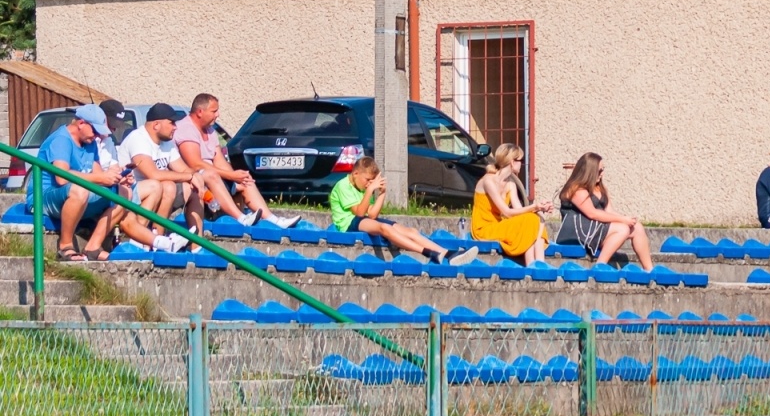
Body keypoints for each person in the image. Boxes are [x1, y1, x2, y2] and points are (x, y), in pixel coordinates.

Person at [174, 93, 298, 229]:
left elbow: (219, 161)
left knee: (245, 180)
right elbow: (195, 164)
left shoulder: (210, 131)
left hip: (214, 179)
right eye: (214, 111)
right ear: (200, 112)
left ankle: (273, 220)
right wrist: (231, 176)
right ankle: (241, 218)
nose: (217, 115)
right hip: (194, 179)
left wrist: (237, 176)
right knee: (211, 175)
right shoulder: (186, 129)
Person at [23, 104, 126, 261]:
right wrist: (101, 178)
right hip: (43, 198)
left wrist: (116, 177)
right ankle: (65, 246)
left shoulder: (90, 142)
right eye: (95, 130)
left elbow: (98, 174)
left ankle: (93, 248)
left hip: (74, 194)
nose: (97, 135)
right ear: (81, 123)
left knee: (124, 193)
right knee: (79, 190)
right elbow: (62, 178)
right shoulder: (61, 140)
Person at [329, 157, 477, 265]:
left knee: (410, 231)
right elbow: (359, 214)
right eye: (367, 180)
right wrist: (369, 191)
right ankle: (429, 252)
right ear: (355, 174)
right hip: (348, 223)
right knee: (385, 228)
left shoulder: (362, 187)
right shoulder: (343, 186)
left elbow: (372, 214)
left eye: (371, 181)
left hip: (363, 220)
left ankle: (447, 253)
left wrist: (382, 193)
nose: (369, 184)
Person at [114, 102, 193, 252]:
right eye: (172, 123)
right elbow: (152, 174)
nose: (175, 127)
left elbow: (184, 169)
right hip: (129, 190)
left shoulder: (166, 143)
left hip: (151, 192)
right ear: (156, 125)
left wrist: (196, 177)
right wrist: (189, 176)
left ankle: (161, 239)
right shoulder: (138, 139)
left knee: (180, 187)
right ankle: (137, 240)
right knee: (159, 185)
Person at [556, 152, 653, 270]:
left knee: (637, 227)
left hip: (596, 228)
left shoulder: (600, 188)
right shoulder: (576, 189)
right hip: (578, 231)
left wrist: (628, 219)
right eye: (599, 171)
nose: (602, 174)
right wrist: (622, 220)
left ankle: (649, 270)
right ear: (589, 171)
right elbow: (592, 213)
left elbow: (609, 211)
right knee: (623, 229)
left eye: (603, 170)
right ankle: (600, 265)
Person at [471, 144, 554, 264]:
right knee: (530, 220)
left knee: (535, 218)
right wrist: (534, 206)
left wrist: (540, 208)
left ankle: (538, 263)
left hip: (499, 226)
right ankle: (532, 264)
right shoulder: (488, 181)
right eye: (521, 160)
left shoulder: (511, 184)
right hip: (484, 229)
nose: (522, 164)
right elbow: (507, 212)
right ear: (512, 162)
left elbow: (520, 212)